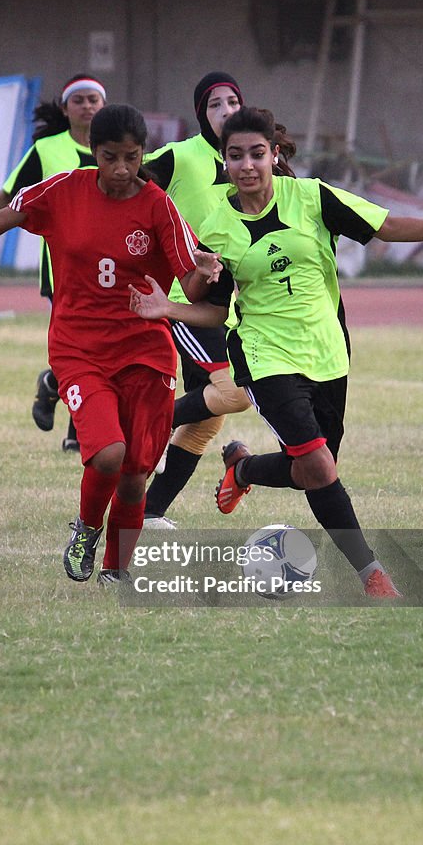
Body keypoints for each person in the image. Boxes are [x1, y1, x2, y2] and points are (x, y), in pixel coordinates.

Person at [129, 106, 423, 599]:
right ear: (223, 161)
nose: (247, 165)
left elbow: (385, 226)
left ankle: (242, 468)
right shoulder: (216, 227)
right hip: (264, 355)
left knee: (312, 468)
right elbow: (212, 309)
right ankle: (372, 574)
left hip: (327, 352)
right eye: (235, 155)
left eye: (257, 154)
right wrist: (169, 308)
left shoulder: (312, 197)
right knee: (320, 467)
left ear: (275, 155)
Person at [0, 105, 221, 588]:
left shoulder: (157, 204)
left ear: (142, 155)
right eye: (110, 157)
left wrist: (207, 270)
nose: (121, 169)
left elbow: (192, 286)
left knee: (137, 471)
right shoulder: (63, 189)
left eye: (132, 158)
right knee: (109, 455)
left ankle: (117, 570)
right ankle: (87, 528)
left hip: (144, 349)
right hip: (79, 348)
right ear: (93, 152)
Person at [0, 73, 107, 453]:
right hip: (63, 268)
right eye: (78, 100)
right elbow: (9, 198)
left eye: (93, 99)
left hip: (111, 265)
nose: (87, 106)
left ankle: (55, 391)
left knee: (100, 349)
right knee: (83, 349)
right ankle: (74, 423)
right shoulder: (47, 150)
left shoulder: (115, 149)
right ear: (65, 109)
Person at [141, 70, 252, 528]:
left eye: (232, 101)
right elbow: (125, 185)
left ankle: (149, 512)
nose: (225, 110)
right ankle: (147, 422)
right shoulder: (181, 157)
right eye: (214, 104)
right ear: (200, 115)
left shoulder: (251, 161)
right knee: (234, 392)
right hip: (184, 300)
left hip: (229, 307)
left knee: (210, 415)